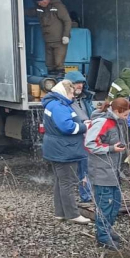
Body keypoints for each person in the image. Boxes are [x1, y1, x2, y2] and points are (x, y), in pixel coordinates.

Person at [41, 80, 91, 224]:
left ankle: (60, 212)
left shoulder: (53, 103)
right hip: (64, 149)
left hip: (57, 147)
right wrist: (84, 127)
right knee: (67, 182)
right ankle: (72, 214)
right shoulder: (59, 106)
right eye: (71, 93)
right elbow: (67, 127)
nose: (72, 96)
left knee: (60, 181)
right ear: (64, 92)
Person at [84, 98, 130, 250]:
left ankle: (108, 230)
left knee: (115, 203)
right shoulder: (102, 122)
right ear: (117, 111)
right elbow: (89, 144)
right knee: (105, 204)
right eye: (126, 114)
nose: (127, 117)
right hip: (101, 171)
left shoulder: (117, 121)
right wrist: (111, 148)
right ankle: (103, 237)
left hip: (113, 170)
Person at [65, 70, 95, 203]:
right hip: (75, 138)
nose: (80, 86)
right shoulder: (64, 102)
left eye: (81, 83)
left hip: (88, 137)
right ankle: (83, 198)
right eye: (76, 83)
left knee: (87, 167)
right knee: (76, 171)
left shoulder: (85, 99)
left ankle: (88, 196)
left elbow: (91, 113)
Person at [28, 0, 72, 77]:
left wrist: (66, 35)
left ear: (45, 0)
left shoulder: (58, 6)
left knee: (59, 62)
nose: (39, 4)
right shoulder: (40, 8)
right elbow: (29, 12)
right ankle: (50, 79)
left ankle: (60, 78)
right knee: (49, 63)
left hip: (59, 40)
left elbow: (67, 20)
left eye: (40, 2)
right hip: (48, 40)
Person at [106, 67, 130, 144]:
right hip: (118, 116)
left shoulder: (116, 82)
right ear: (129, 79)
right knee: (122, 139)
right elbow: (123, 108)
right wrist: (129, 121)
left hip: (110, 110)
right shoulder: (125, 90)